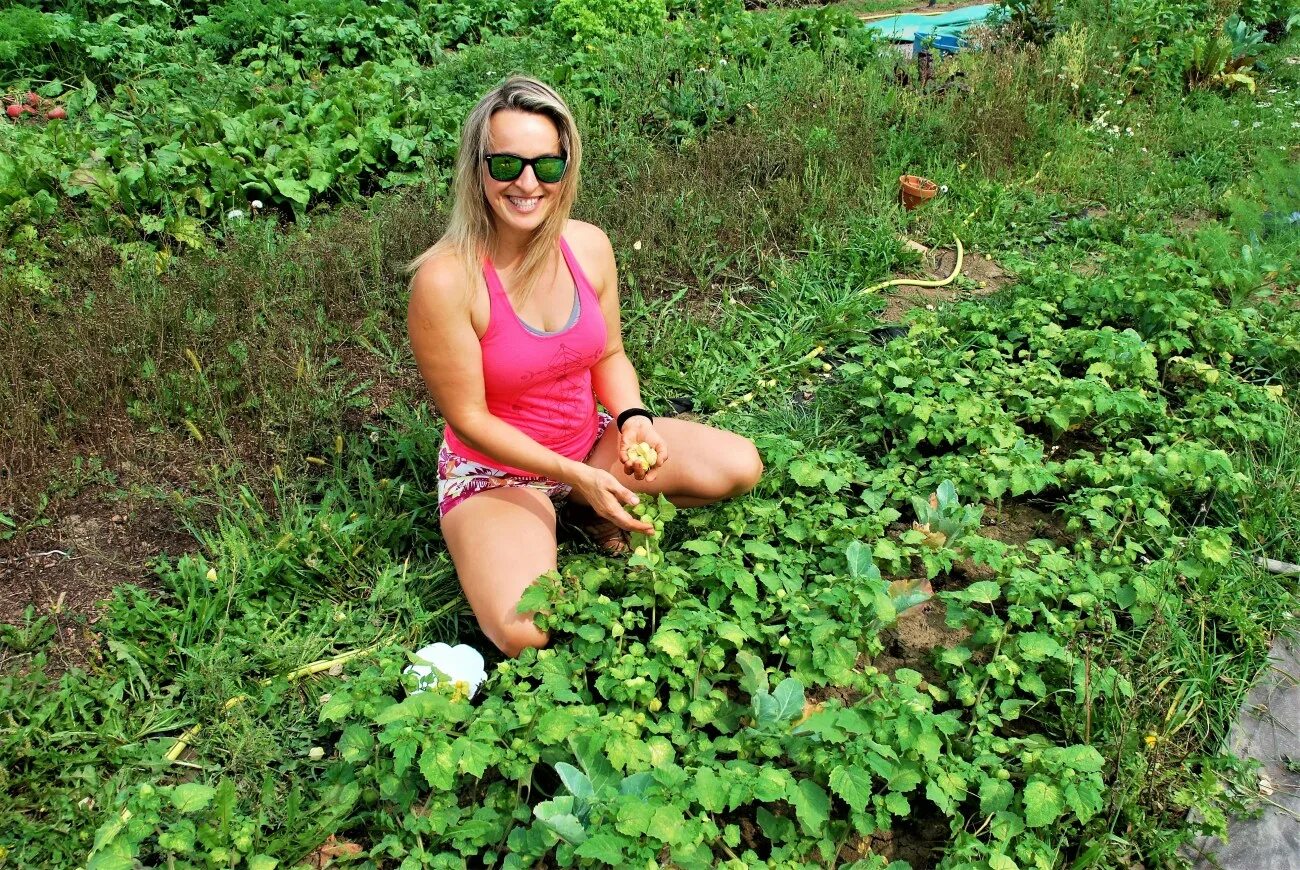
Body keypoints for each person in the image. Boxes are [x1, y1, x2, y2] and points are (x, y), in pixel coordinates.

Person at [406, 76, 763, 661]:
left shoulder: (588, 246)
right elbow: (468, 417)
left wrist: (632, 418)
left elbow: (611, 355)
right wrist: (569, 474)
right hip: (496, 471)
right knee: (527, 630)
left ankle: (572, 509)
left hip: (587, 442)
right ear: (476, 169)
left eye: (547, 166)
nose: (527, 183)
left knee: (739, 466)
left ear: (567, 170)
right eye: (507, 164)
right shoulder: (446, 279)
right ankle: (552, 511)